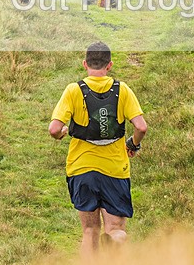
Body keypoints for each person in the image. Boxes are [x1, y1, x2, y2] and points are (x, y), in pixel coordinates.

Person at [49, 41, 148, 256]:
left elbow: (54, 129)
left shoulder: (73, 90)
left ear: (85, 64)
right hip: (115, 170)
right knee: (117, 229)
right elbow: (141, 126)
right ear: (109, 65)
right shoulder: (122, 90)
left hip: (81, 169)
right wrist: (133, 144)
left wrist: (63, 132)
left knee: (89, 231)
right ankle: (113, 240)